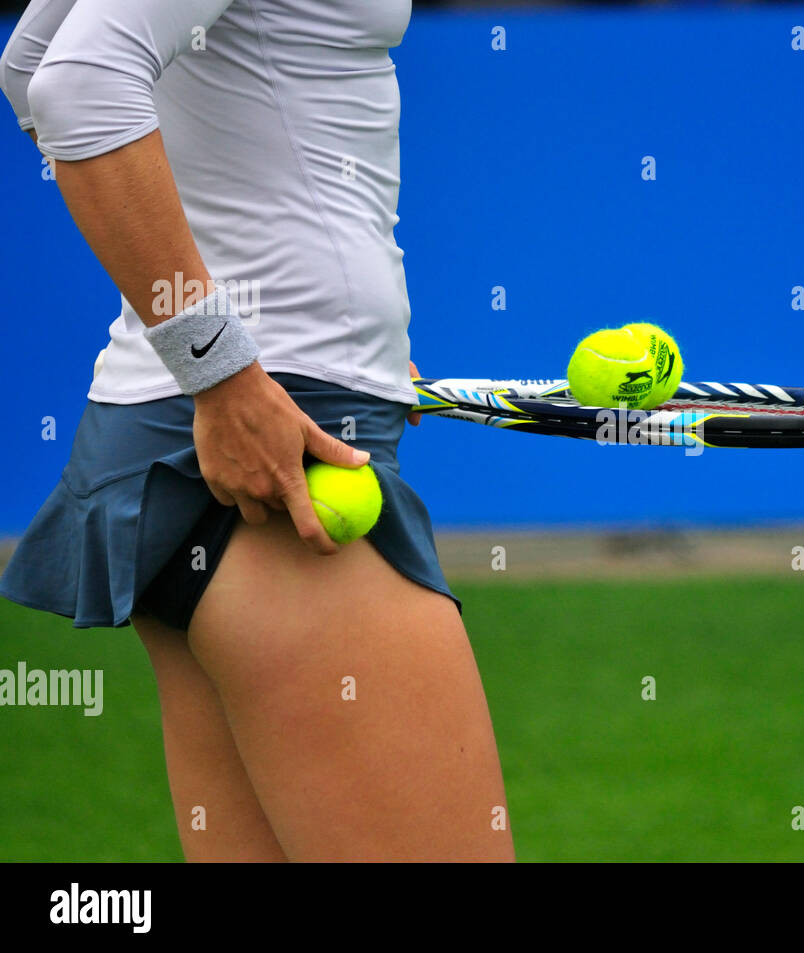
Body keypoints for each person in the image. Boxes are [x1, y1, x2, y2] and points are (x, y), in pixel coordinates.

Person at [0, 0, 513, 862]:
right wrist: (226, 371)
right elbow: (78, 85)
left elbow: (32, 59)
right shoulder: (234, 387)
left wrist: (348, 353)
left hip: (191, 441)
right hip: (265, 456)